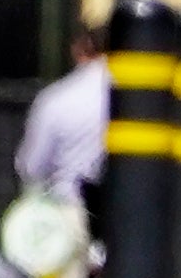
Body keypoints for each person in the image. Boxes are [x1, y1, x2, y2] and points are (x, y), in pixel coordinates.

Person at [15, 20, 111, 211]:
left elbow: (32, 168)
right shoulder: (147, 99)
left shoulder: (56, 99)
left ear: (81, 49)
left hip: (70, 210)